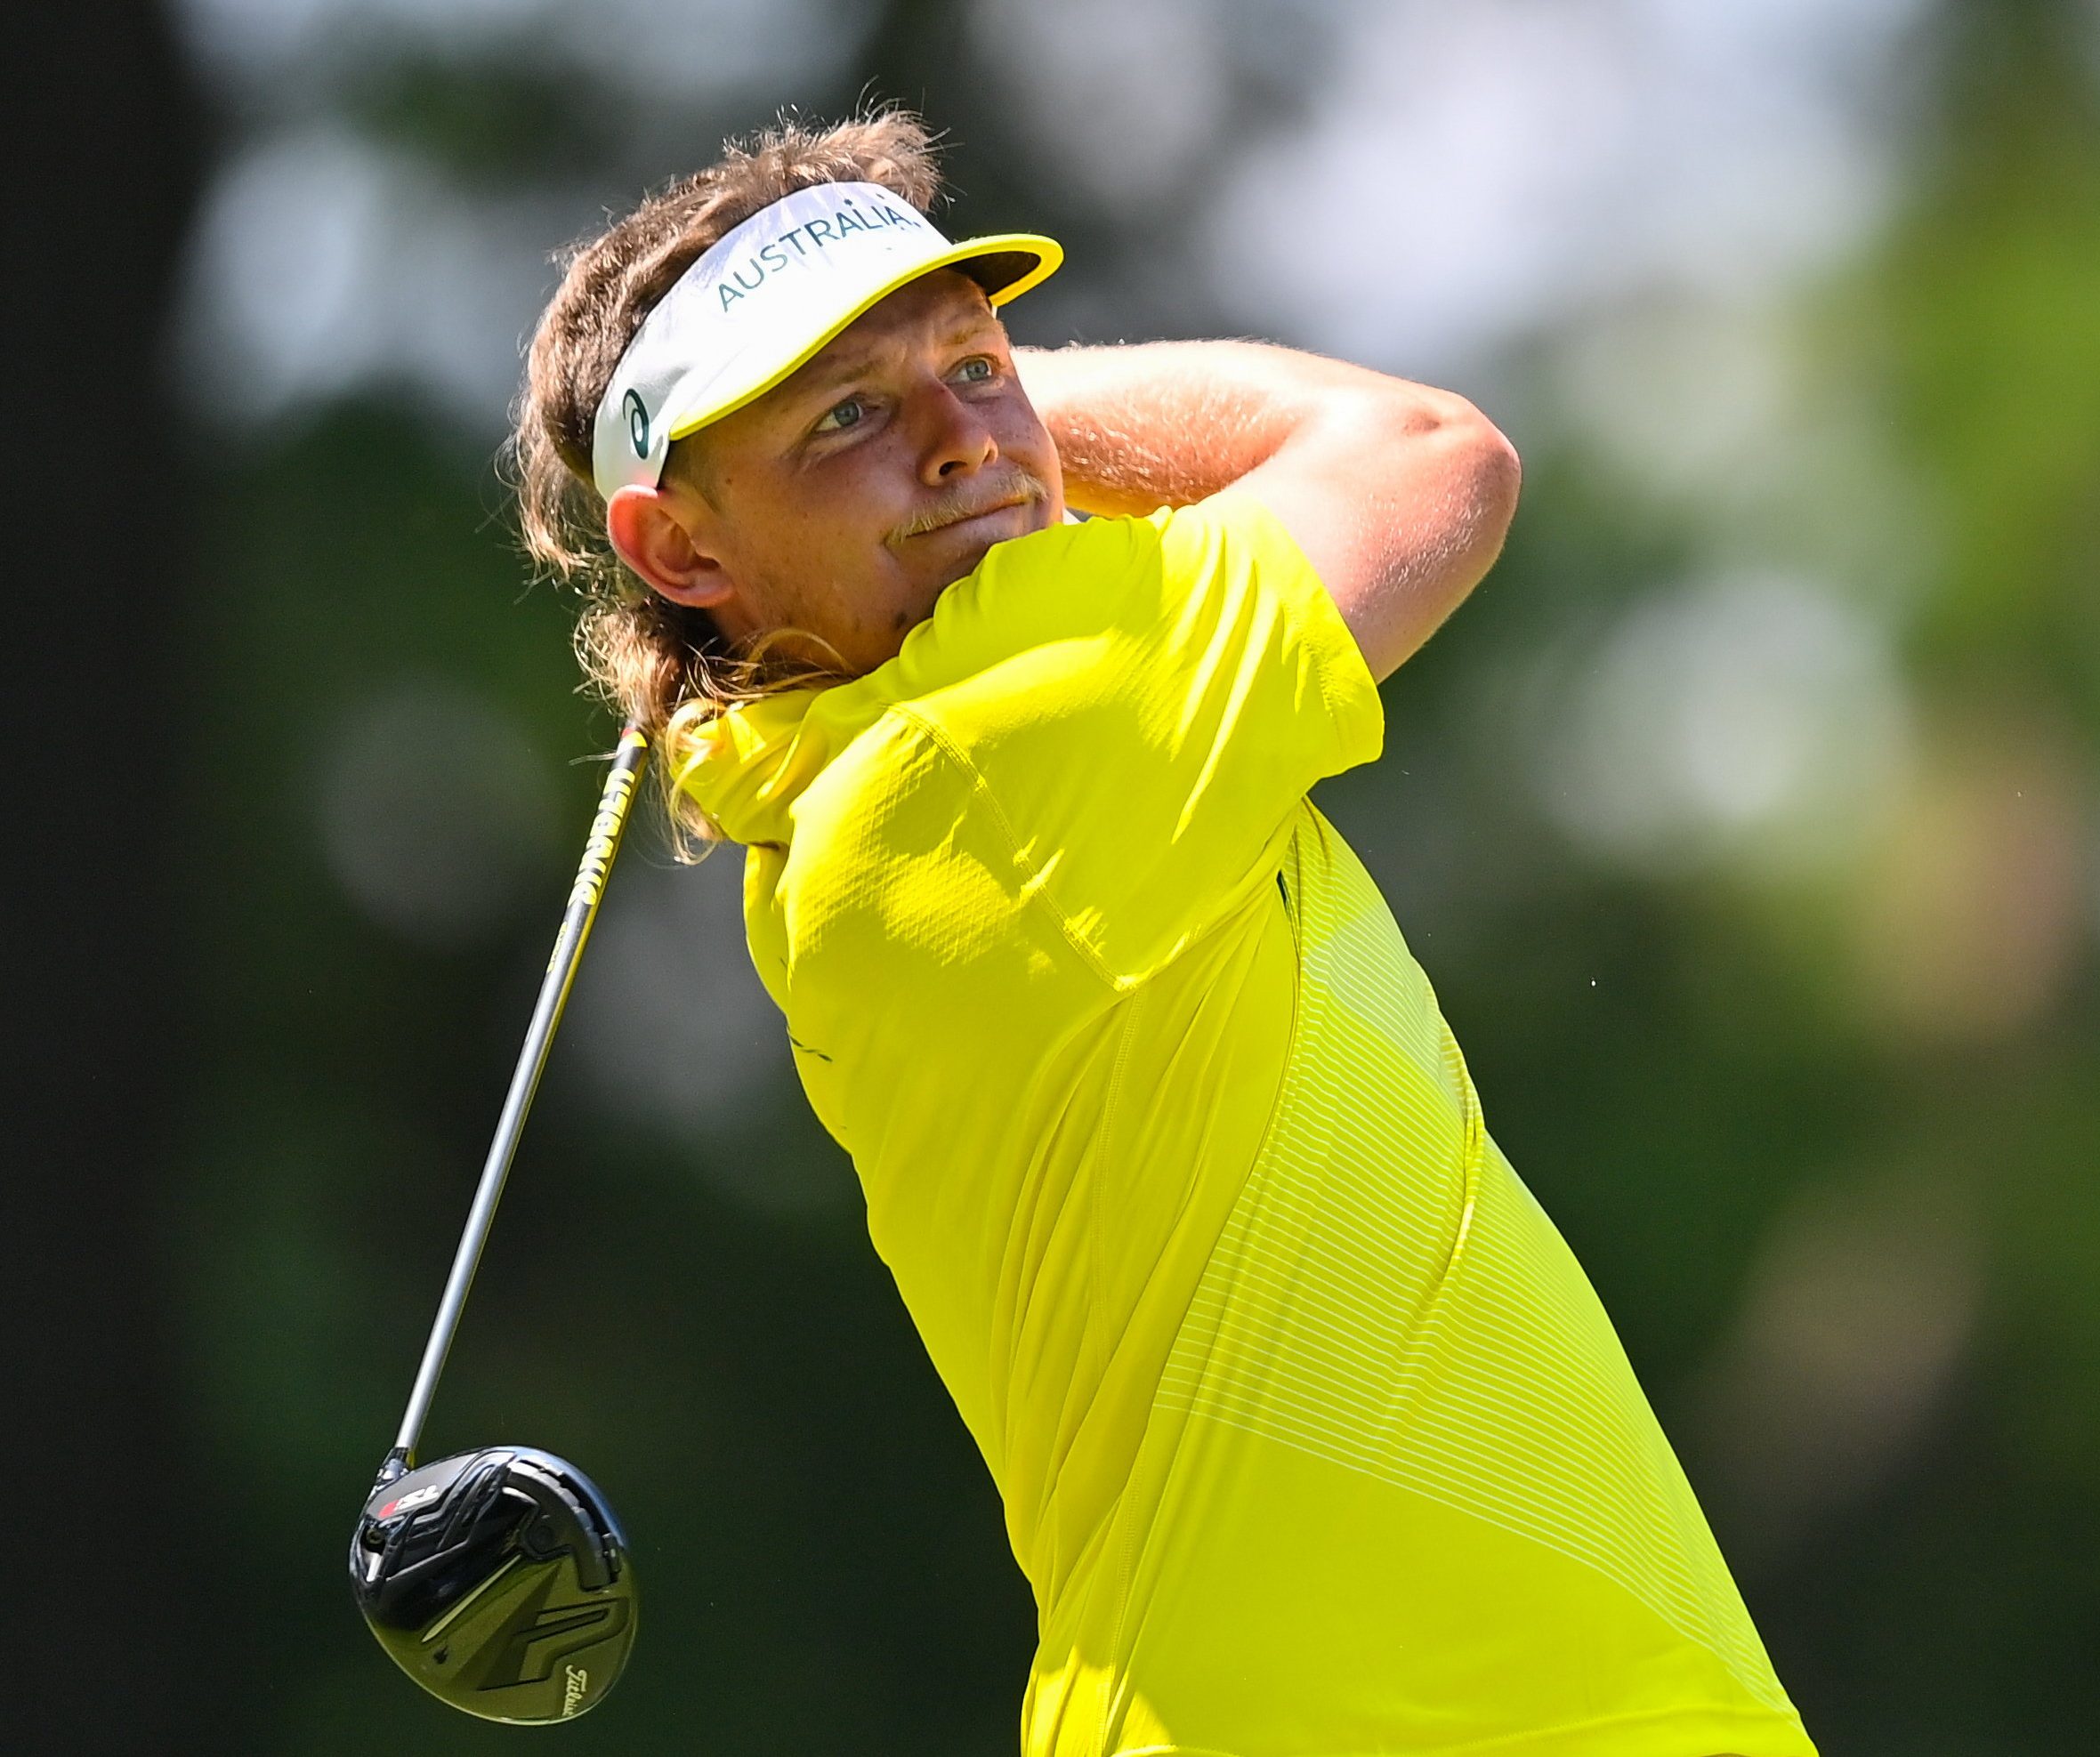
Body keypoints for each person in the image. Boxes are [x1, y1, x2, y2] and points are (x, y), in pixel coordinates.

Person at [513, 111, 1814, 1757]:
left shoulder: (869, 777)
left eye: (976, 365)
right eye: (846, 415)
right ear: (682, 548)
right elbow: (1428, 453)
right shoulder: (1001, 734)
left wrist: (924, 413)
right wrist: (1008, 397)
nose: (964, 442)